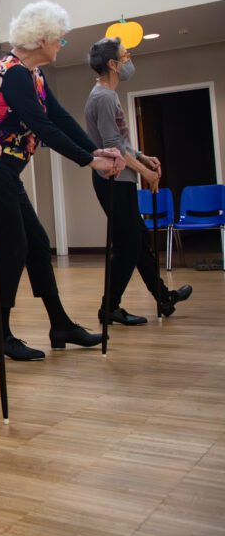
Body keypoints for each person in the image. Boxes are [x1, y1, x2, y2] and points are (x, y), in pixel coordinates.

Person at [0, 1, 124, 362]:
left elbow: (60, 118)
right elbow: (42, 127)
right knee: (15, 247)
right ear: (43, 39)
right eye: (59, 40)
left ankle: (60, 325)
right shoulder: (13, 72)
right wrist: (90, 162)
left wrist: (97, 151)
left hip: (3, 170)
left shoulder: (32, 74)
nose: (60, 46)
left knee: (36, 243)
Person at [84, 37, 192, 323]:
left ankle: (163, 298)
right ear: (112, 64)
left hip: (122, 179)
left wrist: (143, 158)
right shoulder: (103, 97)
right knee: (128, 246)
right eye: (125, 55)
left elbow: (121, 142)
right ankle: (109, 308)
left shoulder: (108, 95)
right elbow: (113, 147)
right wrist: (144, 172)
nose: (129, 59)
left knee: (138, 240)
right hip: (113, 181)